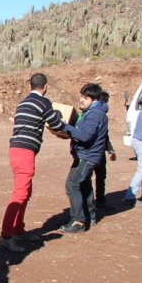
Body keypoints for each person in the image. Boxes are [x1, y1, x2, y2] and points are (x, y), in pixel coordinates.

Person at [0, 73, 66, 252]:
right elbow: (56, 124)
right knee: (20, 193)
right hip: (25, 151)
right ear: (45, 86)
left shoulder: (23, 102)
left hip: (16, 150)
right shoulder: (43, 103)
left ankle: (18, 230)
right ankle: (6, 235)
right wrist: (68, 128)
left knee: (26, 190)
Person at [58, 83, 109, 233]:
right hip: (86, 155)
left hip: (87, 156)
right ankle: (89, 216)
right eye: (81, 96)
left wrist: (65, 126)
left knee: (72, 185)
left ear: (94, 100)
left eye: (85, 98)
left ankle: (78, 221)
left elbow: (85, 136)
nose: (81, 100)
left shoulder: (94, 114)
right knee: (83, 185)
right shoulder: (94, 112)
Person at [93, 91, 117, 209]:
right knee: (97, 176)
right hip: (94, 151)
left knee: (100, 176)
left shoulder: (98, 114)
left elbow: (105, 135)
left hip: (97, 151)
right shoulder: (96, 114)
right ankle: (97, 201)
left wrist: (110, 149)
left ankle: (99, 200)